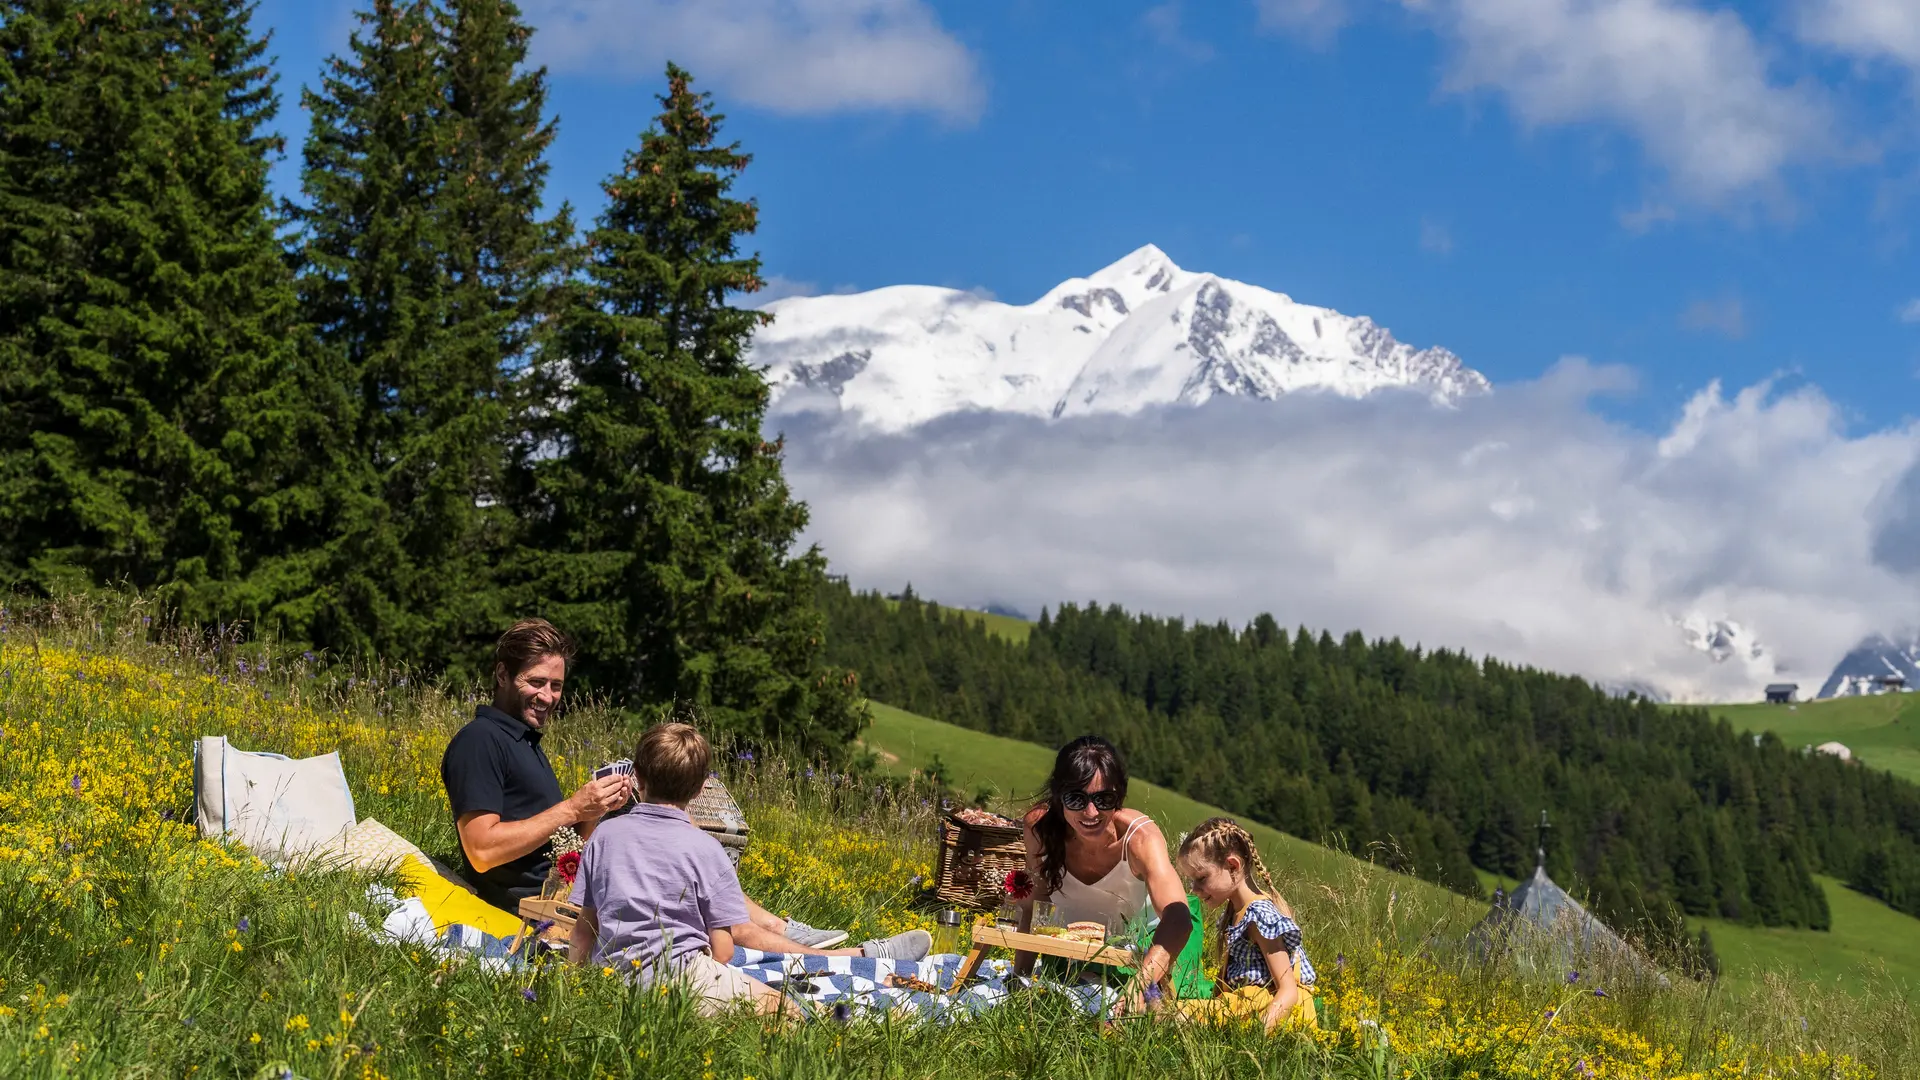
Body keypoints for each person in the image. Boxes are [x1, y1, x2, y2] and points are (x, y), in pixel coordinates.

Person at [441, 619, 910, 957]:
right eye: (535, 682)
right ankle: (848, 958)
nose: (548, 697)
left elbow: (555, 840)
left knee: (678, 855)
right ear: (502, 675)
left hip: (571, 884)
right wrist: (571, 808)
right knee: (691, 893)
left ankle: (784, 929)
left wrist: (592, 816)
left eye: (557, 685)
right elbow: (482, 850)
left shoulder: (523, 742)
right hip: (544, 905)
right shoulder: (480, 742)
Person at [569, 722, 794, 1016]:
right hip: (682, 984)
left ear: (637, 777)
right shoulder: (708, 849)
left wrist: (573, 987)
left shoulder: (603, 835)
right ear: (702, 787)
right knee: (784, 1010)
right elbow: (724, 951)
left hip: (612, 980)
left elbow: (584, 930)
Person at [1016, 735, 1194, 999]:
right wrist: (1019, 979)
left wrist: (1140, 985)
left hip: (1144, 960)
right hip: (1069, 959)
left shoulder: (1139, 838)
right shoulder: (1040, 829)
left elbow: (1179, 918)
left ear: (1119, 797)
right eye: (1076, 799)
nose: (1091, 812)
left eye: (1104, 799)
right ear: (1059, 796)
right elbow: (1035, 904)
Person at [1174, 816, 1317, 1033]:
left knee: (1177, 1015)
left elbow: (1288, 991)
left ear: (1233, 866)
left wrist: (1258, 1039)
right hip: (1246, 1004)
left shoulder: (1259, 916)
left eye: (1201, 878)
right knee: (1175, 1013)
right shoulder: (1236, 911)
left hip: (1269, 1009)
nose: (1194, 888)